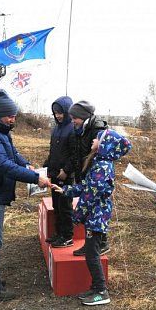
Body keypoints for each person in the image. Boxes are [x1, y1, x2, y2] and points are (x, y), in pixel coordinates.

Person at [0, 89, 51, 301]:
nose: (13, 119)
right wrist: (35, 178)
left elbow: (13, 155)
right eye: (10, 116)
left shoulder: (0, 130)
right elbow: (3, 165)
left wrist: (26, 165)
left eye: (14, 115)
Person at [52, 129, 132, 305]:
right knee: (91, 253)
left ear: (105, 144)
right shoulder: (99, 163)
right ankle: (96, 288)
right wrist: (65, 190)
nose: (92, 141)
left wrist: (77, 215)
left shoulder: (102, 167)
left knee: (92, 255)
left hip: (97, 216)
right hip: (95, 215)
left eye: (97, 139)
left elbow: (90, 195)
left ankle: (102, 292)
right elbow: (85, 187)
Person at [67, 100, 110, 256]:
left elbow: (101, 153)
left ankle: (101, 243)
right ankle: (89, 244)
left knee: (97, 211)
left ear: (83, 116)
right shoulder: (79, 129)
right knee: (88, 211)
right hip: (84, 173)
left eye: (75, 118)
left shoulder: (97, 129)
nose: (73, 121)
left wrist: (94, 176)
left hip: (95, 176)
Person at [43, 96, 76, 248]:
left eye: (60, 112)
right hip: (54, 174)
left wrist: (66, 171)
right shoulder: (56, 128)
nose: (58, 115)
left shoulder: (73, 130)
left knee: (65, 207)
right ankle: (59, 233)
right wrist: (46, 167)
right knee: (56, 205)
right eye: (55, 113)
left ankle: (67, 236)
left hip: (66, 177)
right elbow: (53, 152)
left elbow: (74, 155)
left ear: (68, 112)